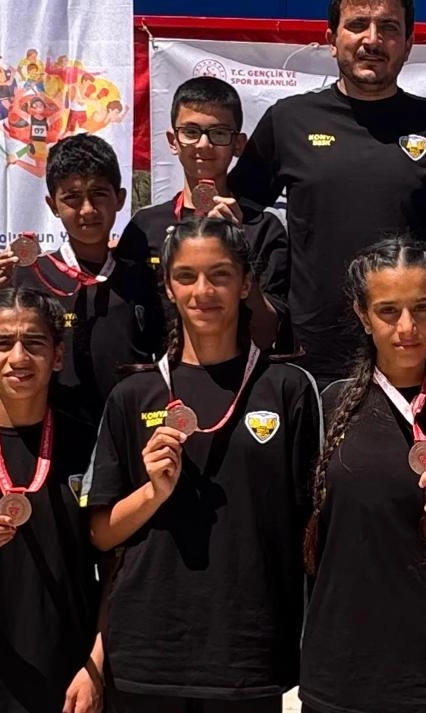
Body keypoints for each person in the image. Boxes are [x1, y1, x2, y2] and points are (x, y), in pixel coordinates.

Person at [82, 218, 322, 713]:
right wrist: (153, 492)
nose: (203, 291)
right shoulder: (134, 395)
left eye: (220, 275)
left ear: (246, 283)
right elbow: (101, 535)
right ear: (168, 287)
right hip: (148, 652)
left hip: (248, 653)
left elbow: (315, 527)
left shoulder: (287, 388)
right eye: (186, 276)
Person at [229, 0, 426, 388]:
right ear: (332, 40)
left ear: (408, 44)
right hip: (314, 357)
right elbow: (239, 218)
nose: (372, 40)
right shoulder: (288, 121)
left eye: (389, 28)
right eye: (358, 25)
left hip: (414, 356)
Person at [300, 237, 426, 713]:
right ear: (362, 315)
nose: (407, 327)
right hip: (339, 671)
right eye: (387, 311)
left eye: (422, 308)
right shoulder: (326, 407)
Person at [0, 288, 102, 713]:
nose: (19, 357)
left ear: (58, 355)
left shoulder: (90, 443)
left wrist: (96, 665)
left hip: (71, 683)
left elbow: (120, 567)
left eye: (34, 342)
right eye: (2, 343)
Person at [0, 134, 163, 427]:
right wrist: (4, 296)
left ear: (120, 198)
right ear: (53, 205)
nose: (87, 209)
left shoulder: (144, 278)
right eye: (72, 198)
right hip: (56, 434)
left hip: (131, 429)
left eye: (99, 194)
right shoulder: (29, 277)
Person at [117, 76, 289, 349]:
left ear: (238, 144)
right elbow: (123, 319)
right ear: (173, 140)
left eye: (219, 133)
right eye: (191, 132)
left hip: (242, 370)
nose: (203, 144)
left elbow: (268, 334)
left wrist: (238, 249)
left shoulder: (263, 227)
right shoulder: (145, 227)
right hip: (164, 369)